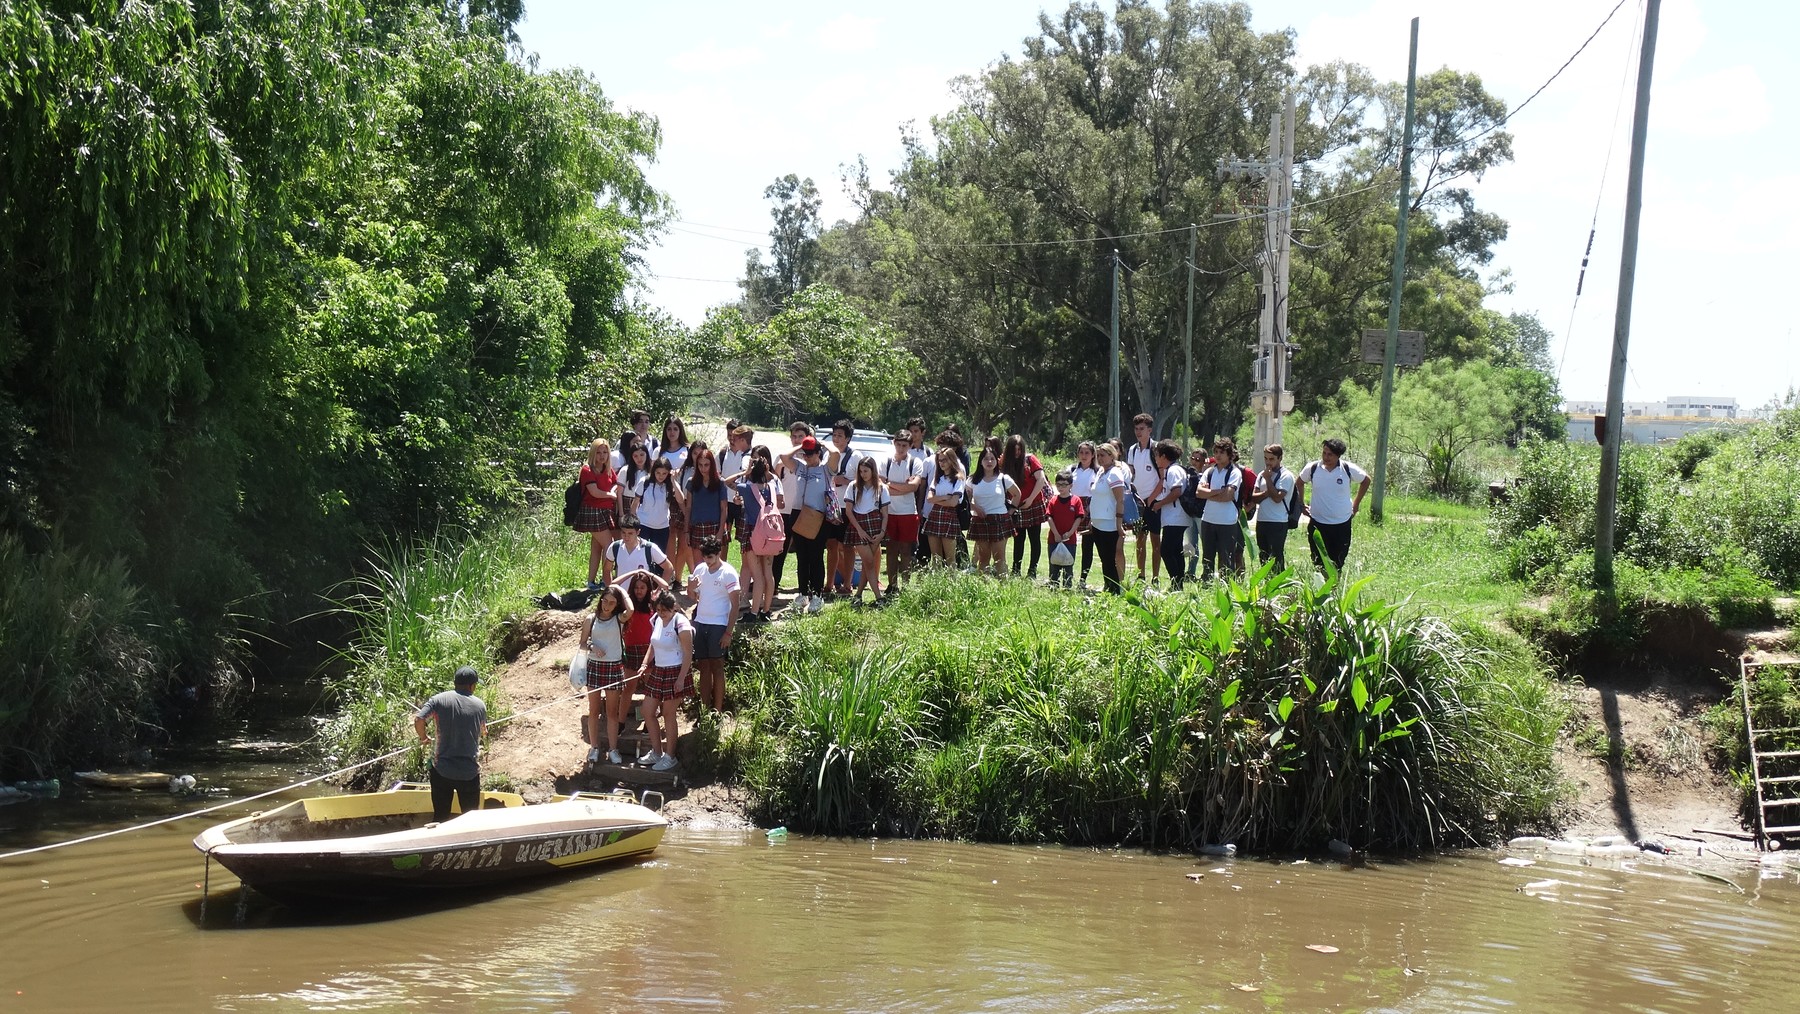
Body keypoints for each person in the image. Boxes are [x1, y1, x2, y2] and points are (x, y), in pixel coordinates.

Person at [413, 665, 488, 823]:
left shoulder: (438, 700)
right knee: (471, 820)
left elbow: (419, 719)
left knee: (440, 817)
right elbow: (483, 731)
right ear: (472, 686)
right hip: (469, 773)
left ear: (455, 683)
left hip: (442, 771)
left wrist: (423, 737)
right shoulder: (480, 705)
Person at [636, 589, 693, 771]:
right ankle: (657, 752)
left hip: (676, 671)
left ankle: (670, 756)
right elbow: (653, 644)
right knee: (647, 711)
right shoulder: (656, 620)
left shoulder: (681, 624)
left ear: (673, 607)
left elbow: (687, 653)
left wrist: (681, 679)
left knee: (668, 714)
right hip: (659, 671)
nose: (661, 614)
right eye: (658, 610)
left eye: (664, 610)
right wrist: (645, 663)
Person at [1297, 437, 1371, 572]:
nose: (1326, 457)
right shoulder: (1313, 468)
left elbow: (1366, 480)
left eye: (1330, 454)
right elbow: (1300, 482)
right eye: (1324, 453)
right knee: (1318, 560)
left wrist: (1356, 504)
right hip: (1318, 522)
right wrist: (1301, 504)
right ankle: (1321, 589)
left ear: (1338, 455)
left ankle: (1334, 589)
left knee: (1337, 561)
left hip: (1341, 523)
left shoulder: (1347, 469)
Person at [686, 536, 740, 712]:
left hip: (719, 625)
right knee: (703, 667)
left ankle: (717, 710)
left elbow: (735, 606)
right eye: (704, 557)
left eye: (710, 557)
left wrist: (728, 633)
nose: (706, 561)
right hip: (700, 623)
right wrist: (691, 587)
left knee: (717, 667)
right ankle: (704, 709)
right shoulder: (700, 569)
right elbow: (693, 597)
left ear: (718, 554)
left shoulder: (728, 572)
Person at [580, 586, 632, 766]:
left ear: (617, 604)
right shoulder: (590, 619)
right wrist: (592, 647)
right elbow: (582, 644)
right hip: (594, 666)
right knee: (594, 710)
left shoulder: (619, 619)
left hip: (614, 667)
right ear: (600, 600)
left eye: (612, 602)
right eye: (605, 600)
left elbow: (631, 610)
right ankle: (594, 747)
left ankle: (613, 749)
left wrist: (620, 589)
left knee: (611, 712)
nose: (607, 605)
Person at [735, 452, 784, 620]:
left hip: (753, 533)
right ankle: (766, 611)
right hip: (770, 533)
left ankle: (754, 612)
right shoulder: (772, 486)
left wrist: (744, 472)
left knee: (757, 576)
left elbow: (726, 482)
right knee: (768, 573)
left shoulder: (747, 488)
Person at [788, 435, 831, 614]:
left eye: (811, 454)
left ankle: (817, 596)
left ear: (818, 453)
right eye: (805, 454)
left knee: (815, 556)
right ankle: (803, 592)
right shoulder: (800, 466)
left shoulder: (826, 469)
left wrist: (821, 443)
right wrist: (800, 447)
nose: (807, 457)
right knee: (802, 557)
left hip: (817, 515)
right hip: (799, 514)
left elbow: (835, 453)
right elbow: (785, 457)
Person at [772, 421, 813, 596]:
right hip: (783, 509)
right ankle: (773, 584)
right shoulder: (782, 456)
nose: (797, 440)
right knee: (779, 549)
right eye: (794, 436)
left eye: (801, 437)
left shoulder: (812, 457)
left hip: (804, 510)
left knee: (804, 551)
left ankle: (806, 587)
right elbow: (774, 479)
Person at [1195, 438, 1244, 582]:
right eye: (1215, 452)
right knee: (1207, 557)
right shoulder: (1210, 471)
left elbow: (1228, 496)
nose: (1217, 455)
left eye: (1221, 452)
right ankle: (1207, 583)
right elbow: (1198, 493)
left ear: (1230, 455)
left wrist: (1209, 493)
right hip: (1208, 520)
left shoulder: (1235, 473)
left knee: (1226, 558)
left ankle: (1226, 585)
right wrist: (1218, 491)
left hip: (1227, 521)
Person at [880, 431, 923, 593]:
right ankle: (892, 585)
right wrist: (902, 488)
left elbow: (914, 487)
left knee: (906, 550)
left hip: (908, 512)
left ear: (911, 446)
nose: (900, 448)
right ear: (893, 443)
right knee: (891, 550)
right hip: (889, 512)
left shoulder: (915, 462)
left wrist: (891, 485)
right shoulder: (886, 461)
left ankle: (905, 586)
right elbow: (880, 485)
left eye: (904, 445)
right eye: (898, 444)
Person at [844, 455, 891, 603]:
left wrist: (882, 533)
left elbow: (885, 514)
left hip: (876, 526)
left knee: (867, 563)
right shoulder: (853, 486)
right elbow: (849, 511)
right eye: (861, 471)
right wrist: (859, 530)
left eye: (866, 471)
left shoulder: (882, 488)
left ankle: (858, 596)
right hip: (859, 525)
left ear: (873, 470)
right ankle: (879, 597)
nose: (863, 474)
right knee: (869, 561)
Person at [1001, 435, 1048, 580]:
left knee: (1034, 539)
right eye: (1014, 449)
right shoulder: (1005, 462)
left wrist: (1031, 499)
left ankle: (1032, 571)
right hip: (1016, 505)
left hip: (1033, 503)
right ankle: (1016, 569)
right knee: (1018, 539)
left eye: (1019, 449)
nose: (1017, 452)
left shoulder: (1030, 459)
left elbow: (1041, 479)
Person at [824, 419, 862, 596]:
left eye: (840, 435)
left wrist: (846, 481)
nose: (836, 438)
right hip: (830, 507)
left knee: (847, 546)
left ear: (848, 438)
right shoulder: (827, 454)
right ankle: (829, 583)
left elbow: (864, 481)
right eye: (834, 435)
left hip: (847, 507)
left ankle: (848, 584)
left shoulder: (856, 456)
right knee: (831, 545)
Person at [967, 445, 1018, 576]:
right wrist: (975, 508)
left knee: (999, 558)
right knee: (983, 558)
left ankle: (1003, 587)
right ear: (980, 461)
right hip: (981, 520)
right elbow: (965, 499)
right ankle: (983, 587)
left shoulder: (1003, 478)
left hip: (999, 520)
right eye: (986, 459)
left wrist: (1011, 511)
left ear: (996, 461)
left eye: (992, 459)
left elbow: (1017, 494)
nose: (989, 462)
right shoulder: (973, 480)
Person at [575, 439, 620, 589]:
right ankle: (606, 580)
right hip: (592, 511)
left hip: (605, 511)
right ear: (593, 453)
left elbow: (615, 483)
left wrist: (612, 492)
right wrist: (611, 495)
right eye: (599, 452)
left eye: (605, 452)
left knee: (597, 547)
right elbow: (594, 492)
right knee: (609, 545)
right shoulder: (587, 470)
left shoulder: (608, 469)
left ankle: (591, 581)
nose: (602, 456)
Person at [1087, 442, 1128, 593]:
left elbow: (1120, 499)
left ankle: (1115, 588)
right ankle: (1107, 586)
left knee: (1110, 558)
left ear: (1112, 456)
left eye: (1103, 455)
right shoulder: (1100, 472)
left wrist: (1118, 523)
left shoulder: (1115, 473)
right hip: (1098, 522)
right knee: (1104, 558)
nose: (1100, 458)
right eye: (1098, 456)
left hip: (1109, 522)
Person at [1250, 442, 1297, 571]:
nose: (1268, 462)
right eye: (1265, 458)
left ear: (1280, 458)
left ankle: (1278, 583)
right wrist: (1268, 492)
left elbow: (1277, 498)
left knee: (1276, 556)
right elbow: (1254, 497)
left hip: (1278, 521)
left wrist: (1268, 480)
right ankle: (1266, 583)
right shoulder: (1261, 475)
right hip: (1262, 520)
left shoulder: (1286, 476)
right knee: (1263, 555)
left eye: (1271, 459)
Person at [684, 447, 731, 577]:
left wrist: (721, 531)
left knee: (715, 565)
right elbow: (688, 508)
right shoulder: (691, 483)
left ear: (712, 464)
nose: (703, 468)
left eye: (706, 465)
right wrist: (686, 530)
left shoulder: (720, 483)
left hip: (715, 526)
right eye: (700, 465)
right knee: (699, 566)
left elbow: (723, 508)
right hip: (697, 527)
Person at [1148, 440, 1188, 589]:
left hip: (1176, 517)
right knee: (1176, 551)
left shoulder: (1173, 470)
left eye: (1157, 455)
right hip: (1174, 518)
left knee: (1166, 550)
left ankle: (1176, 583)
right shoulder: (1171, 470)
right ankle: (1178, 584)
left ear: (1163, 456)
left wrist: (1159, 503)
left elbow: (1176, 491)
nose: (1156, 459)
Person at [657, 417, 691, 581]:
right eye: (669, 429)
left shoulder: (688, 449)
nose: (672, 432)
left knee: (684, 539)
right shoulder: (660, 451)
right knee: (670, 536)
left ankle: (679, 576)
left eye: (675, 429)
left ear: (680, 431)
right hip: (666, 498)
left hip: (685, 496)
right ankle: (669, 574)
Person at [922, 446, 967, 567]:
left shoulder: (958, 479)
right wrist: (945, 497)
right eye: (940, 460)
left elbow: (953, 503)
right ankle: (937, 582)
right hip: (935, 516)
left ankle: (951, 582)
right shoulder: (938, 479)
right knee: (936, 558)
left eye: (944, 460)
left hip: (949, 516)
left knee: (950, 558)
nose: (941, 463)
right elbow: (929, 498)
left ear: (952, 460)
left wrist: (938, 500)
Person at [633, 457, 683, 560]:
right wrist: (632, 523)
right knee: (641, 554)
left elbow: (681, 499)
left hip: (662, 526)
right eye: (658, 473)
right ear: (653, 471)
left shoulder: (669, 485)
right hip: (644, 524)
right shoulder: (645, 482)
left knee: (659, 557)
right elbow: (635, 502)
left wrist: (673, 480)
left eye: (664, 473)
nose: (661, 476)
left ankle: (657, 575)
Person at [1044, 469, 1085, 589]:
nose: (1061, 488)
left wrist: (1071, 532)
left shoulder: (1076, 500)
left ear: (1071, 486)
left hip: (1070, 540)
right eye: (1058, 484)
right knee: (1054, 565)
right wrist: (1056, 534)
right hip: (1054, 539)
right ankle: (1053, 587)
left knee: (1068, 565)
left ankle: (1067, 588)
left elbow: (1079, 518)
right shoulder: (1053, 500)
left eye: (1064, 485)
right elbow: (1049, 517)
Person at [604, 519, 674, 586]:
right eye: (623, 532)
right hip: (621, 595)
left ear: (638, 532)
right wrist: (610, 588)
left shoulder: (650, 548)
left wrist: (659, 590)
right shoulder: (615, 547)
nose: (626, 536)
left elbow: (669, 568)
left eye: (630, 533)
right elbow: (607, 569)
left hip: (643, 597)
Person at [1071, 441, 1100, 588]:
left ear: (1093, 454)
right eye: (1081, 452)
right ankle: (1066, 574)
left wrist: (1089, 510)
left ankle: (1083, 578)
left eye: (1087, 453)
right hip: (1072, 508)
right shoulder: (1072, 470)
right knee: (1069, 542)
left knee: (1087, 546)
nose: (1084, 456)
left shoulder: (1097, 472)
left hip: (1090, 508)